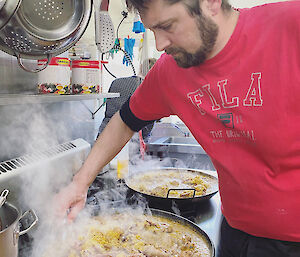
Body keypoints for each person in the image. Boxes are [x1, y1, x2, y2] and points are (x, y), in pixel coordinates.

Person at [55, 0, 300, 256]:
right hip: (235, 231)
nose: (160, 44)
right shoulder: (169, 72)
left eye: (168, 26)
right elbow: (125, 121)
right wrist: (79, 183)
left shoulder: (290, 25)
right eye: (153, 31)